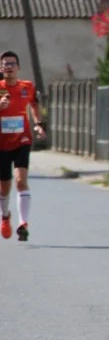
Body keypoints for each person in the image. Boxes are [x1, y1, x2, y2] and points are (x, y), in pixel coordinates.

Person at [0, 51, 45, 242]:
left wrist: (38, 123)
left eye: (12, 64)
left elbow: (34, 104)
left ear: (18, 67)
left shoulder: (27, 87)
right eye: (5, 64)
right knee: (4, 187)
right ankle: (5, 217)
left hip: (22, 139)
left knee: (20, 181)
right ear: (1, 69)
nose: (9, 67)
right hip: (1, 143)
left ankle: (23, 224)